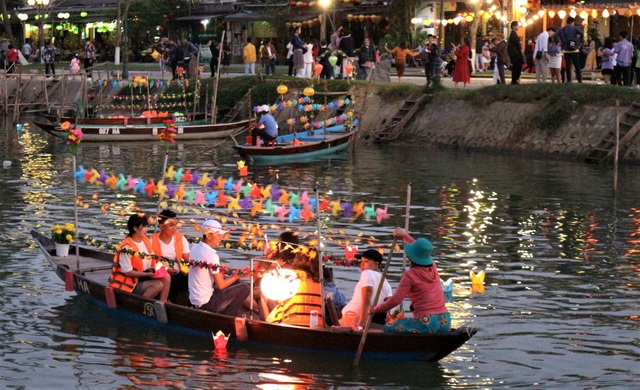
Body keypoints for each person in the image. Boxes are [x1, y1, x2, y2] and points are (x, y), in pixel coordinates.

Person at [371, 228, 451, 334]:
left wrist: (375, 310)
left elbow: (396, 300)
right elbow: (421, 249)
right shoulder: (433, 267)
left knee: (387, 327)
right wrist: (404, 235)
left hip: (426, 322)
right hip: (445, 321)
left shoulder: (409, 276)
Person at [188, 219, 251, 315]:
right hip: (206, 304)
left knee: (236, 282)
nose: (221, 238)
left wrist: (220, 268)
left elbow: (204, 265)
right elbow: (220, 286)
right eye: (218, 235)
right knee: (245, 287)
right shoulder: (212, 255)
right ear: (208, 236)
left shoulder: (195, 247)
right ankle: (229, 316)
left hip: (195, 300)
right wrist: (238, 274)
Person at [108, 213, 171, 302]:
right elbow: (128, 273)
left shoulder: (146, 240)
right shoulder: (126, 247)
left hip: (145, 275)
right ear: (135, 228)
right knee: (158, 285)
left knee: (167, 277)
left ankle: (163, 303)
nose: (147, 229)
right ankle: (139, 305)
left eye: (146, 226)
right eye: (144, 227)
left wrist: (160, 266)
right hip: (131, 281)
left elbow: (152, 260)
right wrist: (148, 274)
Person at [266, 247, 324, 327]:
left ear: (298, 260)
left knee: (268, 301)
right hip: (316, 324)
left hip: (289, 321)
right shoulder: (319, 281)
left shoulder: (290, 275)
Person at [340, 249, 392, 329]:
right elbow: (389, 306)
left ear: (376, 264)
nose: (362, 265)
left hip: (352, 321)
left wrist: (360, 326)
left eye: (366, 261)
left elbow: (367, 300)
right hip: (372, 320)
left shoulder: (367, 273)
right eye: (361, 261)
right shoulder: (385, 282)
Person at [151, 210, 191, 305]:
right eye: (171, 225)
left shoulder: (181, 238)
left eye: (175, 224)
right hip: (161, 273)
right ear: (161, 226)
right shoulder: (152, 240)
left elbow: (187, 259)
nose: (174, 228)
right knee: (171, 280)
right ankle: (167, 303)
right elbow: (150, 263)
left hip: (180, 272)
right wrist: (166, 269)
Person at [556, 16, 584, 83]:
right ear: (573, 22)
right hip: (574, 49)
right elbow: (582, 33)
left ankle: (568, 79)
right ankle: (579, 80)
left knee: (568, 65)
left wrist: (560, 41)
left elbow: (555, 35)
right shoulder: (574, 29)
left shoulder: (562, 29)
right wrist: (580, 42)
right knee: (577, 65)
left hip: (566, 49)